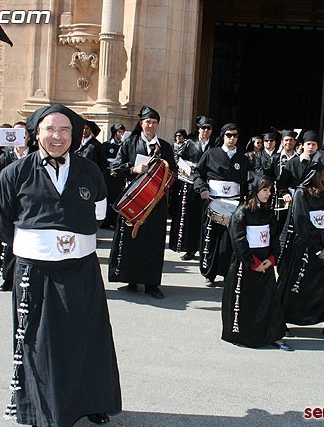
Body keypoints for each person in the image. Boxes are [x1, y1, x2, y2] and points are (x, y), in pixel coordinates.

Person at [0, 104, 121, 426]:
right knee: (38, 340)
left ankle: (91, 401)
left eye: (64, 130)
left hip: (81, 271)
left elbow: (100, 214)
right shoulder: (14, 173)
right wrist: (37, 247)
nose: (57, 136)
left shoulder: (90, 171)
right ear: (37, 134)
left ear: (74, 136)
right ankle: (39, 407)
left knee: (87, 337)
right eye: (50, 129)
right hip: (35, 272)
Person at [108, 106, 177, 299]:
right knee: (133, 240)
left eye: (154, 122)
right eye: (148, 122)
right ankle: (131, 279)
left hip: (156, 203)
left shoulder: (164, 147)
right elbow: (116, 169)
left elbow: (173, 173)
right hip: (134, 201)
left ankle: (152, 283)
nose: (151, 125)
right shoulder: (130, 143)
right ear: (141, 123)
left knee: (153, 243)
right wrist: (134, 169)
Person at [277, 151, 324, 342]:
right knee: (294, 284)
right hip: (305, 245)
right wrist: (316, 247)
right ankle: (282, 320)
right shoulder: (301, 192)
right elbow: (301, 222)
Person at [221, 172, 291, 351]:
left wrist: (271, 259)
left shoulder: (268, 211)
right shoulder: (242, 211)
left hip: (265, 264)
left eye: (270, 190)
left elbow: (274, 237)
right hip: (246, 266)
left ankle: (273, 335)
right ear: (255, 190)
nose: (268, 193)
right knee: (246, 301)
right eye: (264, 189)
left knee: (269, 301)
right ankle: (245, 335)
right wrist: (253, 263)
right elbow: (238, 240)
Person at [193, 123, 252, 287]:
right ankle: (209, 273)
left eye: (235, 135)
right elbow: (198, 174)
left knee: (231, 240)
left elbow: (250, 179)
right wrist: (202, 189)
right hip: (213, 202)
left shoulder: (243, 157)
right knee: (211, 238)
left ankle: (228, 273)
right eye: (228, 135)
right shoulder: (211, 153)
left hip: (234, 205)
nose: (232, 138)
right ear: (223, 136)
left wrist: (250, 198)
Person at [0, 122, 35, 291]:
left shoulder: (36, 157)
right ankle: (8, 279)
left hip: (29, 209)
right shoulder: (5, 157)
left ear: (28, 136)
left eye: (23, 133)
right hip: (10, 208)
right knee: (9, 245)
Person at [168, 117, 216, 260]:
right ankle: (190, 249)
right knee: (190, 217)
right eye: (203, 128)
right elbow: (177, 158)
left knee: (206, 218)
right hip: (190, 184)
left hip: (208, 186)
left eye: (208, 128)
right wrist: (187, 166)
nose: (205, 131)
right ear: (198, 129)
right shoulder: (190, 143)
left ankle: (204, 249)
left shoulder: (215, 145)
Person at [102, 123, 126, 229]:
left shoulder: (124, 146)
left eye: (122, 132)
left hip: (119, 176)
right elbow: (101, 159)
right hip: (108, 175)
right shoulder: (106, 145)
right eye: (119, 132)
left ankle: (114, 221)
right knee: (108, 197)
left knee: (117, 198)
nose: (121, 134)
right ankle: (105, 221)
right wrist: (108, 164)